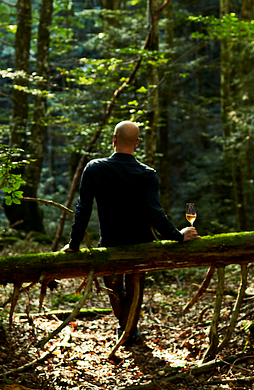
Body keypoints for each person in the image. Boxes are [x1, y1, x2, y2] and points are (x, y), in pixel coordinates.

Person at [62, 121, 199, 346]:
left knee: (115, 292)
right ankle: (129, 333)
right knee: (134, 292)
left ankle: (125, 332)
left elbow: (83, 209)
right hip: (141, 244)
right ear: (137, 143)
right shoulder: (147, 174)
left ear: (114, 139)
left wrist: (74, 243)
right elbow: (155, 213)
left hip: (110, 244)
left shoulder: (94, 168)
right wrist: (178, 235)